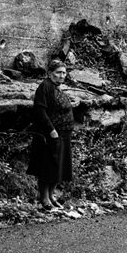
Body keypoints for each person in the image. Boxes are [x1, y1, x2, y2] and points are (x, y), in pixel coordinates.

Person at [27, 59, 74, 210]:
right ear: (50, 73)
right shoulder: (45, 87)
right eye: (58, 72)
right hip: (51, 134)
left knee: (59, 166)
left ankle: (52, 195)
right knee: (48, 166)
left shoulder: (56, 87)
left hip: (63, 133)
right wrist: (51, 130)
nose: (62, 76)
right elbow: (40, 110)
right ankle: (44, 198)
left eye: (64, 73)